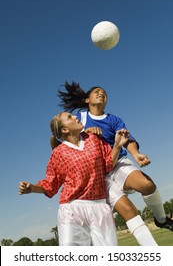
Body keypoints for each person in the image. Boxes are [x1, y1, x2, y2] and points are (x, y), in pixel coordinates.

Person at [55, 81, 173, 245]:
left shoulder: (114, 120)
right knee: (129, 211)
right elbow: (56, 139)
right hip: (97, 176)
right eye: (96, 91)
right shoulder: (79, 119)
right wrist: (85, 131)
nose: (101, 93)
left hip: (117, 163)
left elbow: (127, 139)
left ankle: (161, 219)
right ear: (87, 100)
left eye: (104, 92)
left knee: (146, 185)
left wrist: (136, 154)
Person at [19, 111, 130, 246]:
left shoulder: (94, 139)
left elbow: (108, 166)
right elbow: (50, 184)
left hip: (100, 207)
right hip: (72, 209)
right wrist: (31, 188)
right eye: (70, 117)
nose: (76, 117)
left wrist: (117, 145)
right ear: (64, 129)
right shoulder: (58, 153)